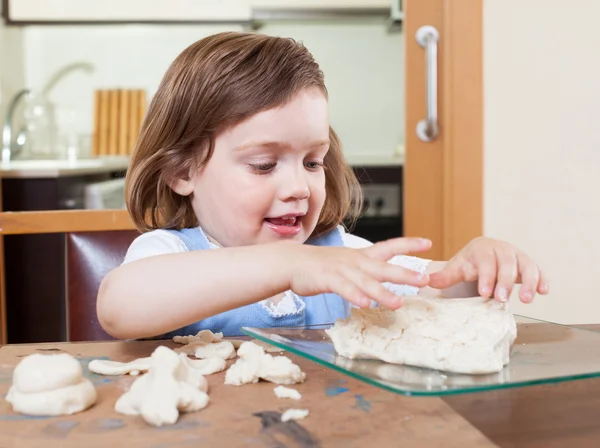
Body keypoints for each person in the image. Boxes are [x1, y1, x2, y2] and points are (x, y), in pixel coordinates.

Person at [97, 31, 549, 340]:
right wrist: (289, 265)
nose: (299, 186)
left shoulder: (337, 257)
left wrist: (473, 271)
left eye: (313, 162)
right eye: (263, 165)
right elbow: (120, 306)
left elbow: (433, 290)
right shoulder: (170, 255)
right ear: (182, 172)